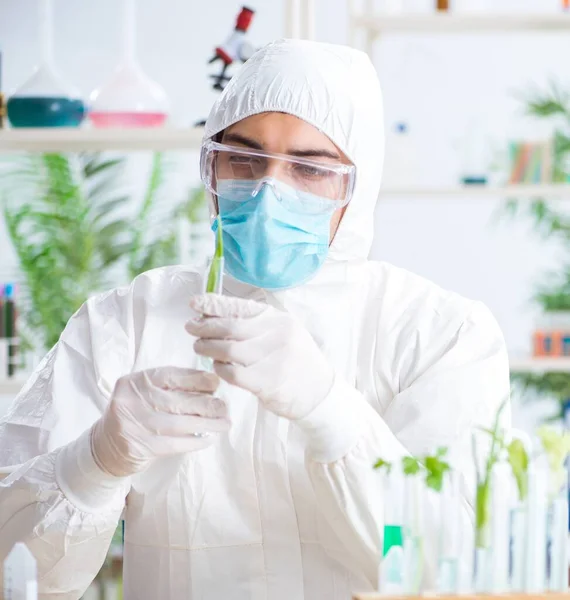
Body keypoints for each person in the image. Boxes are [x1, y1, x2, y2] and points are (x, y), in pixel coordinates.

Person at [0, 39, 510, 600]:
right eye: (242, 158)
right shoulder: (125, 322)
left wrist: (330, 411)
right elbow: (16, 572)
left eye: (311, 168)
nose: (269, 191)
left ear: (357, 188)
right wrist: (95, 461)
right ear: (210, 163)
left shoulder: (439, 335)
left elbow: (455, 568)